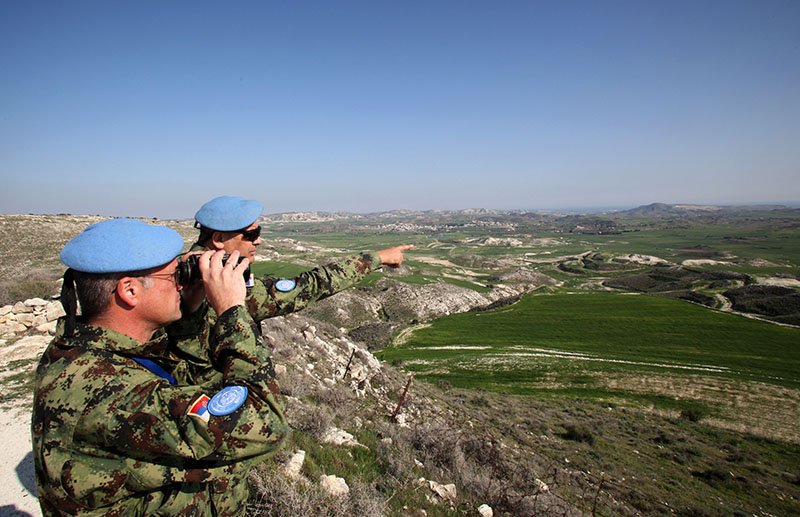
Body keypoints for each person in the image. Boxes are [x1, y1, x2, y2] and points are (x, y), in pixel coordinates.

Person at [32, 218, 288, 516]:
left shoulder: (93, 352)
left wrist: (190, 310)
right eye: (173, 276)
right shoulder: (108, 391)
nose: (182, 282)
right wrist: (232, 311)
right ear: (129, 291)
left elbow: (196, 382)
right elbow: (265, 421)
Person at [174, 195, 412, 379]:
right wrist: (377, 258)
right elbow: (311, 286)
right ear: (218, 239)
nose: (259, 240)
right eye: (252, 234)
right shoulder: (217, 281)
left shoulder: (185, 267)